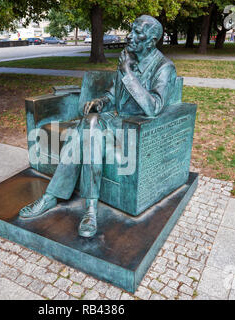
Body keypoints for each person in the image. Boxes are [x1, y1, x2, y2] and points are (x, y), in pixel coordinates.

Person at [19, 15, 177, 237]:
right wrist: (101, 101)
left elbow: (154, 107)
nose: (130, 36)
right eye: (131, 29)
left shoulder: (164, 68)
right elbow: (114, 94)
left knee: (88, 125)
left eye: (137, 33)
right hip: (113, 122)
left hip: (136, 129)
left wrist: (127, 73)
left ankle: (52, 197)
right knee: (90, 123)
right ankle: (89, 207)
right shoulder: (129, 57)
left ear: (151, 41)